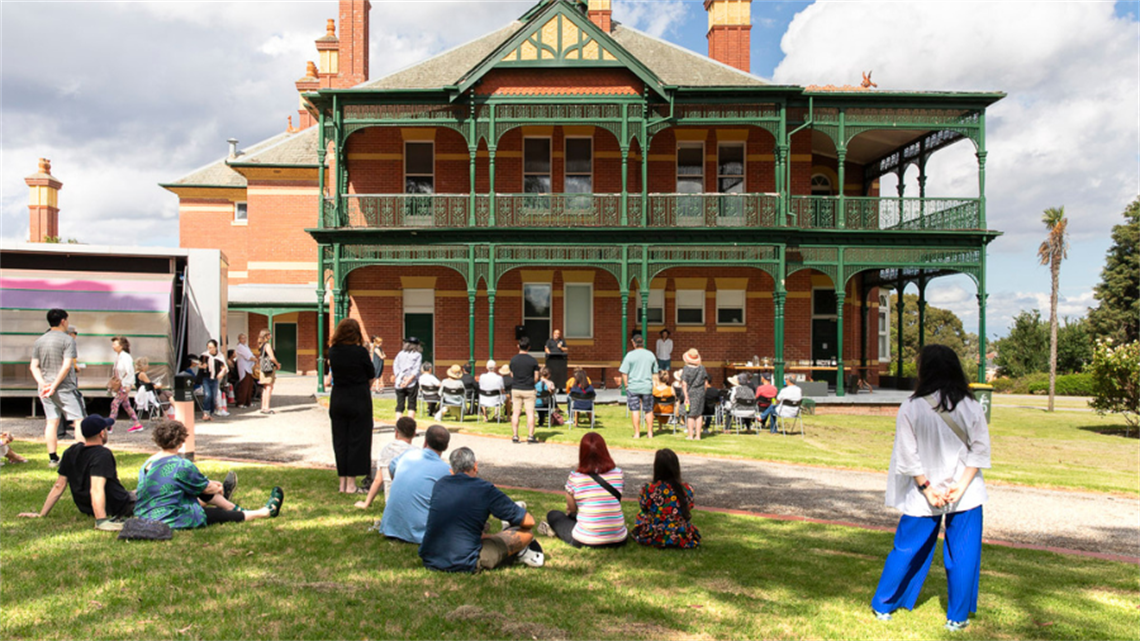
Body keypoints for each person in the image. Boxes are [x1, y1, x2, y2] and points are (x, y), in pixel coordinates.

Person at [871, 345, 992, 632]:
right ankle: (957, 617)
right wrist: (960, 487)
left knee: (906, 548)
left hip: (923, 490)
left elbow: (907, 454)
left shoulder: (912, 406)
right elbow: (980, 451)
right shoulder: (972, 405)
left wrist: (926, 488)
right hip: (966, 491)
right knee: (964, 554)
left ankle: (884, 604)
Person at [133, 420, 282, 528]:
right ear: (180, 441)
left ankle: (231, 506)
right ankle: (263, 512)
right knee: (216, 514)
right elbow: (207, 489)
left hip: (144, 515)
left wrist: (209, 485)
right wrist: (216, 486)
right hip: (169, 518)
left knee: (203, 493)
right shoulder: (180, 465)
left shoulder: (148, 463)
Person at [419, 447, 543, 572]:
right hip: (464, 561)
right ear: (475, 466)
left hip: (430, 558)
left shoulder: (440, 484)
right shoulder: (484, 489)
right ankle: (520, 552)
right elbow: (529, 522)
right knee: (526, 534)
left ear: (452, 470)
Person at [18, 415, 134, 531]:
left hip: (86, 508)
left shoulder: (71, 451)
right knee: (148, 494)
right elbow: (96, 489)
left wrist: (42, 514)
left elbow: (59, 485)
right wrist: (101, 520)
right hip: (119, 506)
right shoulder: (102, 455)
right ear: (101, 433)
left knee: (137, 491)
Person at [538, 432, 627, 548]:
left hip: (587, 539)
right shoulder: (618, 473)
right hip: (619, 538)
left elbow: (572, 509)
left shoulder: (576, 477)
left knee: (554, 515)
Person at [29, 309, 85, 465]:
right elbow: (67, 366)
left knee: (51, 422)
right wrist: (53, 386)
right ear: (63, 321)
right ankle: (80, 457)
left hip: (45, 388)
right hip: (65, 387)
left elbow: (34, 367)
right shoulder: (68, 340)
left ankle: (53, 458)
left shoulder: (39, 341)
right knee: (79, 420)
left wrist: (43, 384)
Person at [327, 318, 375, 494]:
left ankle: (342, 483)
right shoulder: (360, 352)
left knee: (340, 441)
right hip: (358, 398)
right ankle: (351, 485)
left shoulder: (333, 351)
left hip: (338, 397)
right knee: (357, 440)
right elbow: (371, 373)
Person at [381, 424, 451, 544]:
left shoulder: (407, 455)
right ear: (446, 447)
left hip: (391, 527)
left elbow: (391, 468)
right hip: (420, 533)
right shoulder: (446, 471)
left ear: (425, 442)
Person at [632, 449, 700, 549]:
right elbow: (689, 506)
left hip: (655, 534)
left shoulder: (649, 489)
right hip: (680, 534)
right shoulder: (686, 489)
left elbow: (644, 507)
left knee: (641, 515)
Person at [357, 416, 417, 509]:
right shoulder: (417, 453)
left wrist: (366, 503)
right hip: (412, 504)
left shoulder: (386, 450)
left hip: (391, 503)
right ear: (414, 434)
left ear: (396, 432)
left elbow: (378, 480)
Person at [620, 334, 659, 439]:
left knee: (635, 410)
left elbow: (624, 372)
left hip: (633, 387)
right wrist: (654, 385)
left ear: (633, 343)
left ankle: (637, 433)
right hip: (646, 387)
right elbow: (655, 372)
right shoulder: (650, 355)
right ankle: (650, 433)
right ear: (643, 342)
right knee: (649, 410)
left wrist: (627, 386)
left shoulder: (630, 355)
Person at [108, 336, 144, 432]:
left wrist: (127, 384)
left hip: (124, 385)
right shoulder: (119, 356)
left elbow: (130, 371)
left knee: (114, 404)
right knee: (126, 405)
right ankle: (137, 424)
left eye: (115, 344)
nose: (113, 346)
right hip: (121, 384)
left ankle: (109, 425)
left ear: (121, 346)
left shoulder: (125, 357)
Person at [509, 337, 540, 443]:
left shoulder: (513, 360)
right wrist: (532, 382)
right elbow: (536, 377)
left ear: (518, 346)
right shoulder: (533, 361)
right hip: (529, 389)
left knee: (516, 412)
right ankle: (530, 436)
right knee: (530, 413)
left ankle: (515, 436)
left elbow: (512, 374)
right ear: (529, 347)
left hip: (516, 388)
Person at [679, 349, 709, 440]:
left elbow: (684, 384)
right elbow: (706, 383)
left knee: (690, 415)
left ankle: (690, 435)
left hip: (690, 392)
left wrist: (686, 396)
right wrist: (703, 392)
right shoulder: (702, 368)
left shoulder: (686, 369)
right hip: (700, 392)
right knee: (699, 414)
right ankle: (698, 436)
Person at [392, 337, 423, 420]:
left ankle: (398, 426)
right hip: (412, 383)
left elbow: (395, 366)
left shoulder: (400, 354)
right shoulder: (418, 355)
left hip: (399, 382)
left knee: (400, 404)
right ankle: (410, 426)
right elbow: (416, 369)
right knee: (412, 404)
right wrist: (408, 380)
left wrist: (402, 377)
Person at [200, 339, 229, 420]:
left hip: (215, 379)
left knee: (213, 396)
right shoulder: (204, 355)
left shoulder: (220, 356)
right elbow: (199, 364)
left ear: (216, 347)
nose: (210, 349)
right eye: (209, 347)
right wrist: (202, 366)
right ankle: (206, 412)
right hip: (206, 378)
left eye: (212, 347)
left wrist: (222, 372)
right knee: (207, 395)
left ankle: (211, 413)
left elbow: (224, 367)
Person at [257, 329, 281, 414]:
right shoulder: (267, 345)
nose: (271, 335)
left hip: (263, 368)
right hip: (269, 368)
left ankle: (263, 407)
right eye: (269, 334)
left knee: (265, 387)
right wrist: (277, 364)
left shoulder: (261, 345)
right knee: (269, 387)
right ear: (266, 336)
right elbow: (272, 357)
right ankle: (267, 407)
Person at [233, 333, 256, 408]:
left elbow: (251, 354)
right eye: (242, 338)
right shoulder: (240, 347)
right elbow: (248, 356)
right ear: (239, 339)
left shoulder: (246, 346)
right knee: (244, 385)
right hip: (244, 368)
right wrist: (257, 360)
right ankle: (241, 402)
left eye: (245, 338)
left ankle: (248, 402)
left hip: (249, 368)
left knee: (250, 385)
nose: (244, 339)